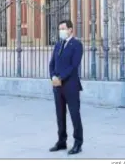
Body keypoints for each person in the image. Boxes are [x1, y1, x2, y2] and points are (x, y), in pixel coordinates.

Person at [49, 20, 83, 155]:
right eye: (59, 29)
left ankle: (78, 143)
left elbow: (74, 65)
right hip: (57, 86)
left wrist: (60, 77)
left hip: (71, 85)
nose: (61, 31)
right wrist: (52, 77)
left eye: (63, 28)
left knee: (75, 115)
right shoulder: (58, 44)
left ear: (70, 30)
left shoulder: (77, 45)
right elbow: (52, 63)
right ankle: (61, 141)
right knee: (60, 114)